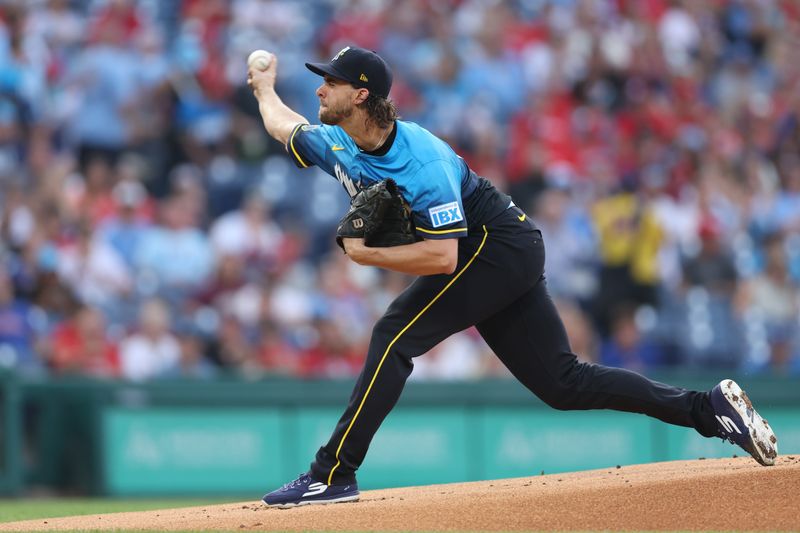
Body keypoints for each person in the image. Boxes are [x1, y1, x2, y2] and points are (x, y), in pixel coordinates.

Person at [248, 46, 778, 508]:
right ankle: (710, 409)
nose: (320, 89)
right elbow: (282, 124)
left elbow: (442, 260)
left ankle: (331, 473)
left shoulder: (421, 161)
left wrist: (367, 257)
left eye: (331, 82)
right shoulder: (337, 140)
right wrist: (264, 88)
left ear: (361, 96)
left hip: (494, 244)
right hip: (505, 249)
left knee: (394, 335)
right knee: (563, 383)